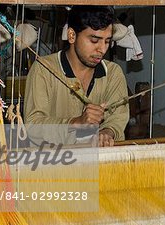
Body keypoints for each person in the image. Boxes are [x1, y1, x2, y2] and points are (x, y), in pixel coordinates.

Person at [24, 6, 129, 147]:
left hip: (97, 164)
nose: (102, 49)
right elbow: (33, 127)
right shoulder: (44, 70)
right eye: (94, 40)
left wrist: (107, 132)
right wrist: (77, 123)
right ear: (72, 35)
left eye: (107, 41)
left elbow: (118, 118)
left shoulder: (112, 73)